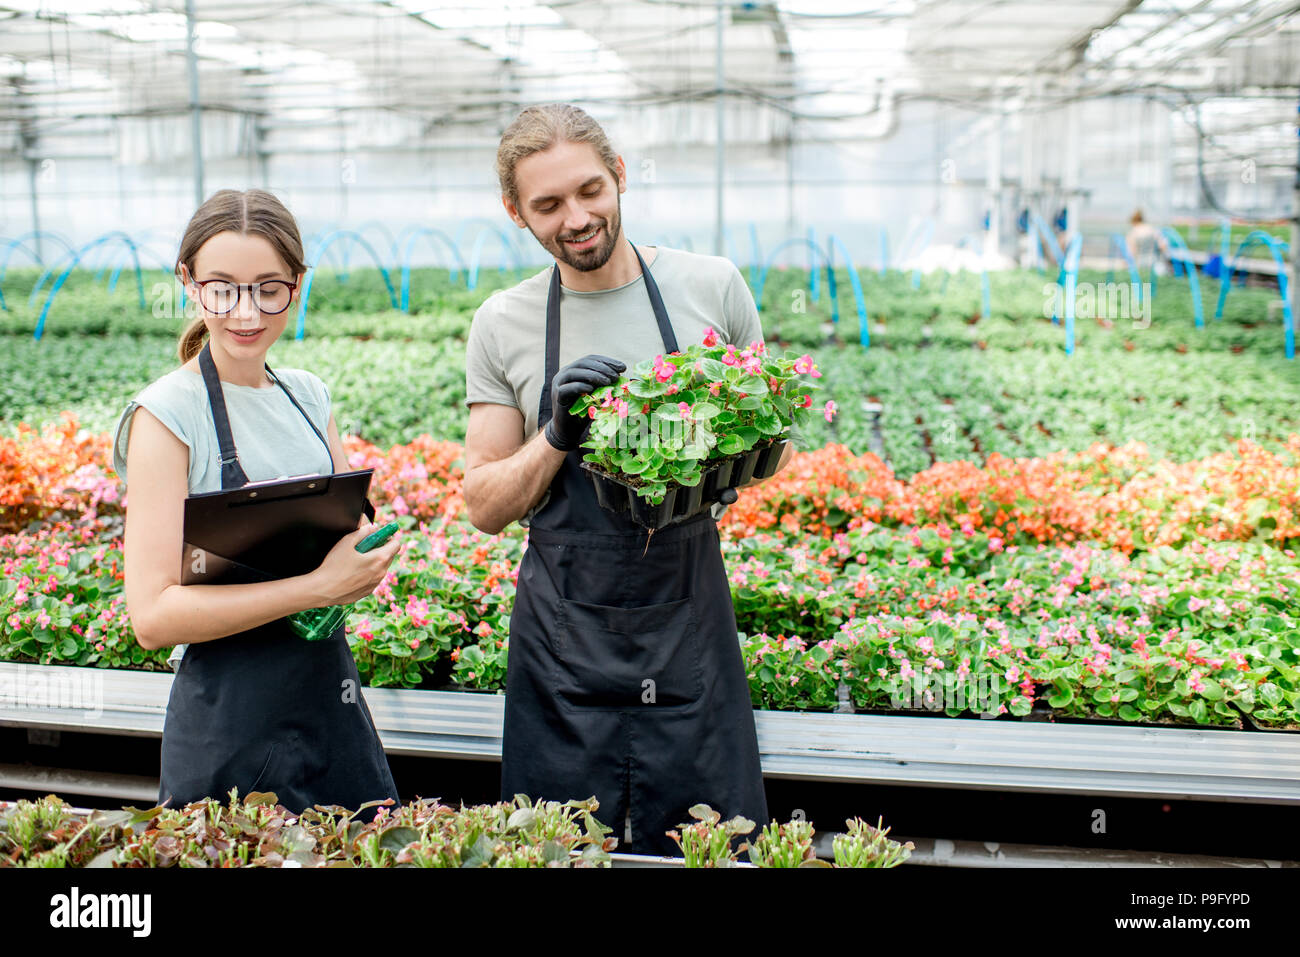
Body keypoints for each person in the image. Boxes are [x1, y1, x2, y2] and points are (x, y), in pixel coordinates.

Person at [463, 103, 793, 856]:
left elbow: (774, 431)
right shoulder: (504, 322)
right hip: (561, 640)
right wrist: (555, 435)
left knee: (710, 841)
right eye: (547, 204)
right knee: (557, 844)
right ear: (516, 212)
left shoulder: (712, 287)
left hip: (687, 621)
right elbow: (483, 502)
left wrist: (724, 463)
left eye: (589, 190)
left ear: (619, 176)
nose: (575, 218)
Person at [113, 188, 401, 817]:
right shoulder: (167, 415)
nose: (245, 312)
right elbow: (153, 619)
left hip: (328, 695)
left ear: (298, 284)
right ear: (189, 282)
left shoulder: (307, 396)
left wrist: (364, 555)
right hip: (228, 719)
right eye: (222, 288)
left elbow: (342, 534)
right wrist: (318, 589)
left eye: (269, 288)